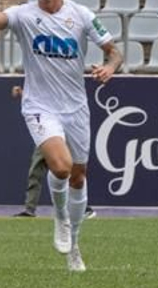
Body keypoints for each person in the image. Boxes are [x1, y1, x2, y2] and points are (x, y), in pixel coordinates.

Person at [0, 0, 121, 271]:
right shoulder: (24, 15)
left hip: (76, 107)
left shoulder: (81, 15)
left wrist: (110, 68)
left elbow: (114, 52)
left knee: (79, 174)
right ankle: (60, 217)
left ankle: (74, 247)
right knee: (61, 167)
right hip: (40, 106)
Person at [11, 84, 95, 220]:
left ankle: (82, 208)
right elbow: (35, 99)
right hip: (46, 129)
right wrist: (22, 92)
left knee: (69, 170)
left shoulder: (62, 79)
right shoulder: (39, 75)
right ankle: (29, 209)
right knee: (36, 171)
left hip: (64, 129)